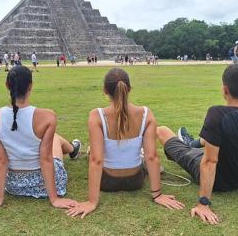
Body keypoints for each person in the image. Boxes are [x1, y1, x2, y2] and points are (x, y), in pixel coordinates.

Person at [67, 68, 184, 218]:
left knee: (93, 152)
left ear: (105, 90)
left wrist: (92, 202)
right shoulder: (146, 114)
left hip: (107, 182)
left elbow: (96, 160)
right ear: (129, 89)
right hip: (135, 181)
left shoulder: (96, 115)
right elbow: (152, 157)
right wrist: (157, 195)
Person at [0, 65, 81, 213]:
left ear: (7, 85)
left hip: (14, 185)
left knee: (47, 138)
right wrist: (55, 199)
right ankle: (73, 149)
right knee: (54, 138)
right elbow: (45, 159)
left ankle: (73, 148)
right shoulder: (47, 116)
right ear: (30, 86)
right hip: (44, 184)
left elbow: (1, 160)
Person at [156, 64, 238, 225]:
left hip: (219, 179)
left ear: (225, 90)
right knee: (212, 139)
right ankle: (192, 142)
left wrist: (203, 203)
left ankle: (186, 143)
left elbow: (210, 162)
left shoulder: (217, 113)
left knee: (162, 131)